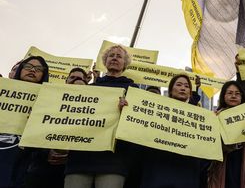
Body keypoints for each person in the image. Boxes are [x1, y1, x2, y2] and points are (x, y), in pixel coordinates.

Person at [64, 45, 138, 188]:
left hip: (113, 160)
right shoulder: (88, 89)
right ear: (105, 62)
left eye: (119, 56)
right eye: (111, 55)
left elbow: (137, 124)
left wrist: (128, 112)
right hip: (80, 158)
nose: (114, 58)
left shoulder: (133, 91)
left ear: (125, 63)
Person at [137, 74, 204, 188]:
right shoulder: (156, 110)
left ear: (190, 92)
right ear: (171, 91)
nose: (183, 88)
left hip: (186, 170)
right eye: (178, 85)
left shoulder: (199, 116)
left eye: (187, 86)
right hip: (159, 167)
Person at [0, 56, 50, 188]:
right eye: (28, 67)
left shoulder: (47, 101)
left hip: (23, 162)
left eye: (38, 69)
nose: (32, 70)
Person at [208, 81, 245, 188]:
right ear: (223, 96)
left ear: (242, 97)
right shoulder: (215, 117)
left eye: (237, 93)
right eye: (230, 93)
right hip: (223, 166)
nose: (233, 96)